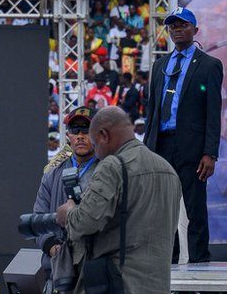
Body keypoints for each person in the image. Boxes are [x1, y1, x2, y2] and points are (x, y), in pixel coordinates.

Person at [56, 107, 180, 292]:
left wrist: (68, 213)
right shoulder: (168, 170)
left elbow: (85, 222)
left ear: (104, 135)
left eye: (95, 144)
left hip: (119, 283)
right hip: (158, 285)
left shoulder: (113, 166)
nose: (97, 153)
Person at [143, 7, 222, 263]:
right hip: (161, 145)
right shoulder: (159, 65)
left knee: (194, 208)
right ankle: (167, 262)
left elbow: (213, 112)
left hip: (192, 146)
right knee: (163, 209)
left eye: (183, 25)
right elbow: (152, 110)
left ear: (195, 30)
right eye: (173, 26)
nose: (177, 29)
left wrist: (210, 153)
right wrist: (146, 150)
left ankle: (200, 262)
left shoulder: (209, 65)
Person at [33, 106, 99, 289]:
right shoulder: (52, 174)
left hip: (94, 271)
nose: (80, 135)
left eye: (86, 129)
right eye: (74, 129)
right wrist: (53, 247)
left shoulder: (109, 171)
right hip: (57, 272)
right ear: (68, 135)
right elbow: (38, 218)